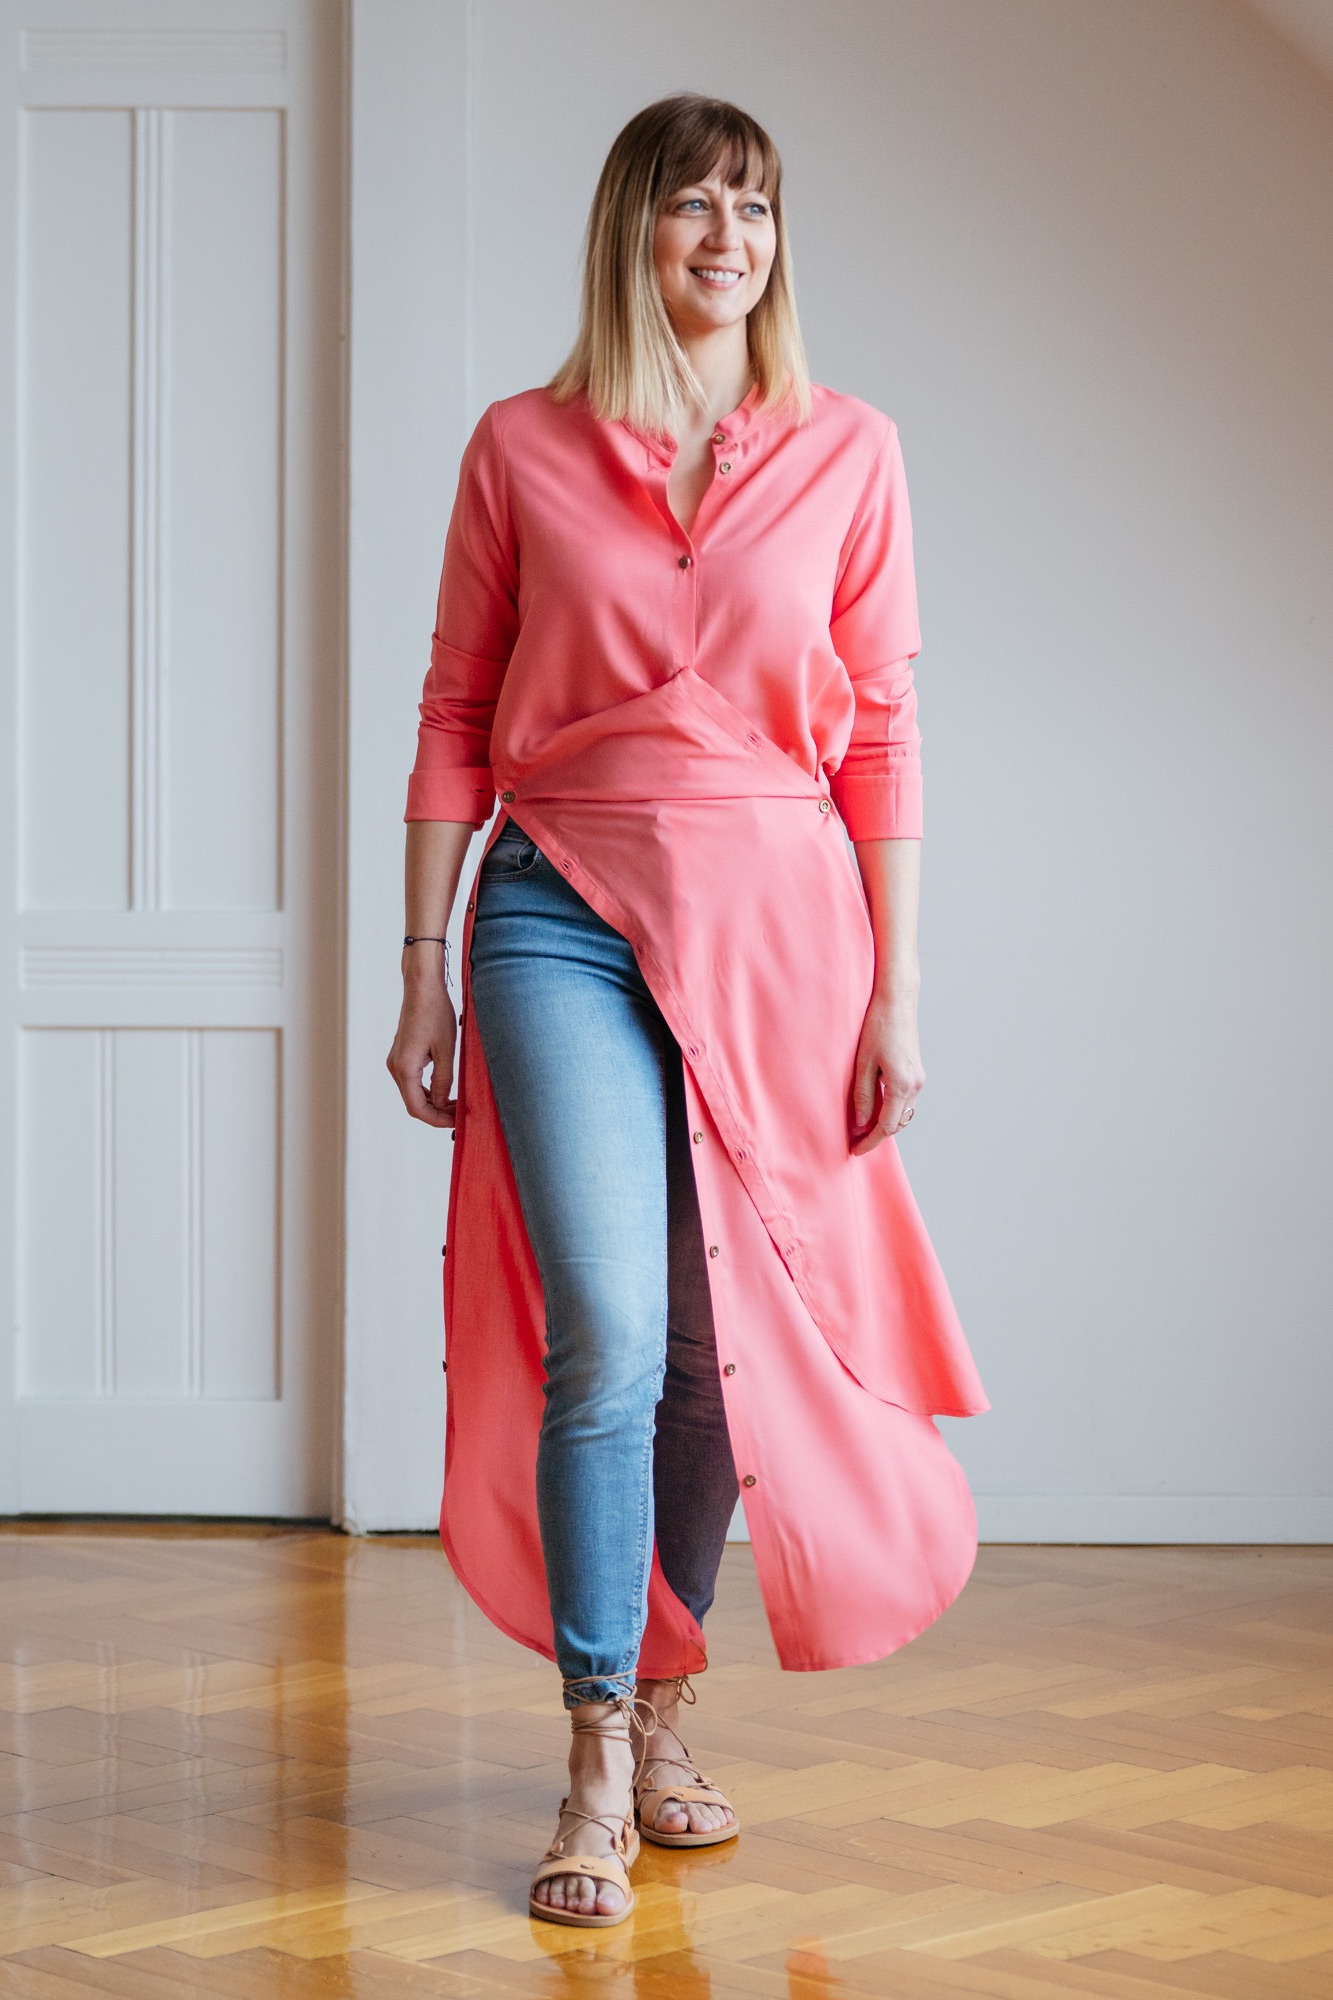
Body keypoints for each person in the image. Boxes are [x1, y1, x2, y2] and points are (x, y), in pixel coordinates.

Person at [388, 93, 988, 1930]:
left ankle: (665, 1715)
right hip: (558, 910)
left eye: (756, 208)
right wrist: (419, 963)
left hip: (779, 935)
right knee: (609, 1334)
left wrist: (896, 989)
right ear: (629, 233)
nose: (728, 239)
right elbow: (455, 709)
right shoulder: (520, 445)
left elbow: (879, 738)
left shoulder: (851, 451)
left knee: (721, 1346)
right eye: (692, 206)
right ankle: (587, 1751)